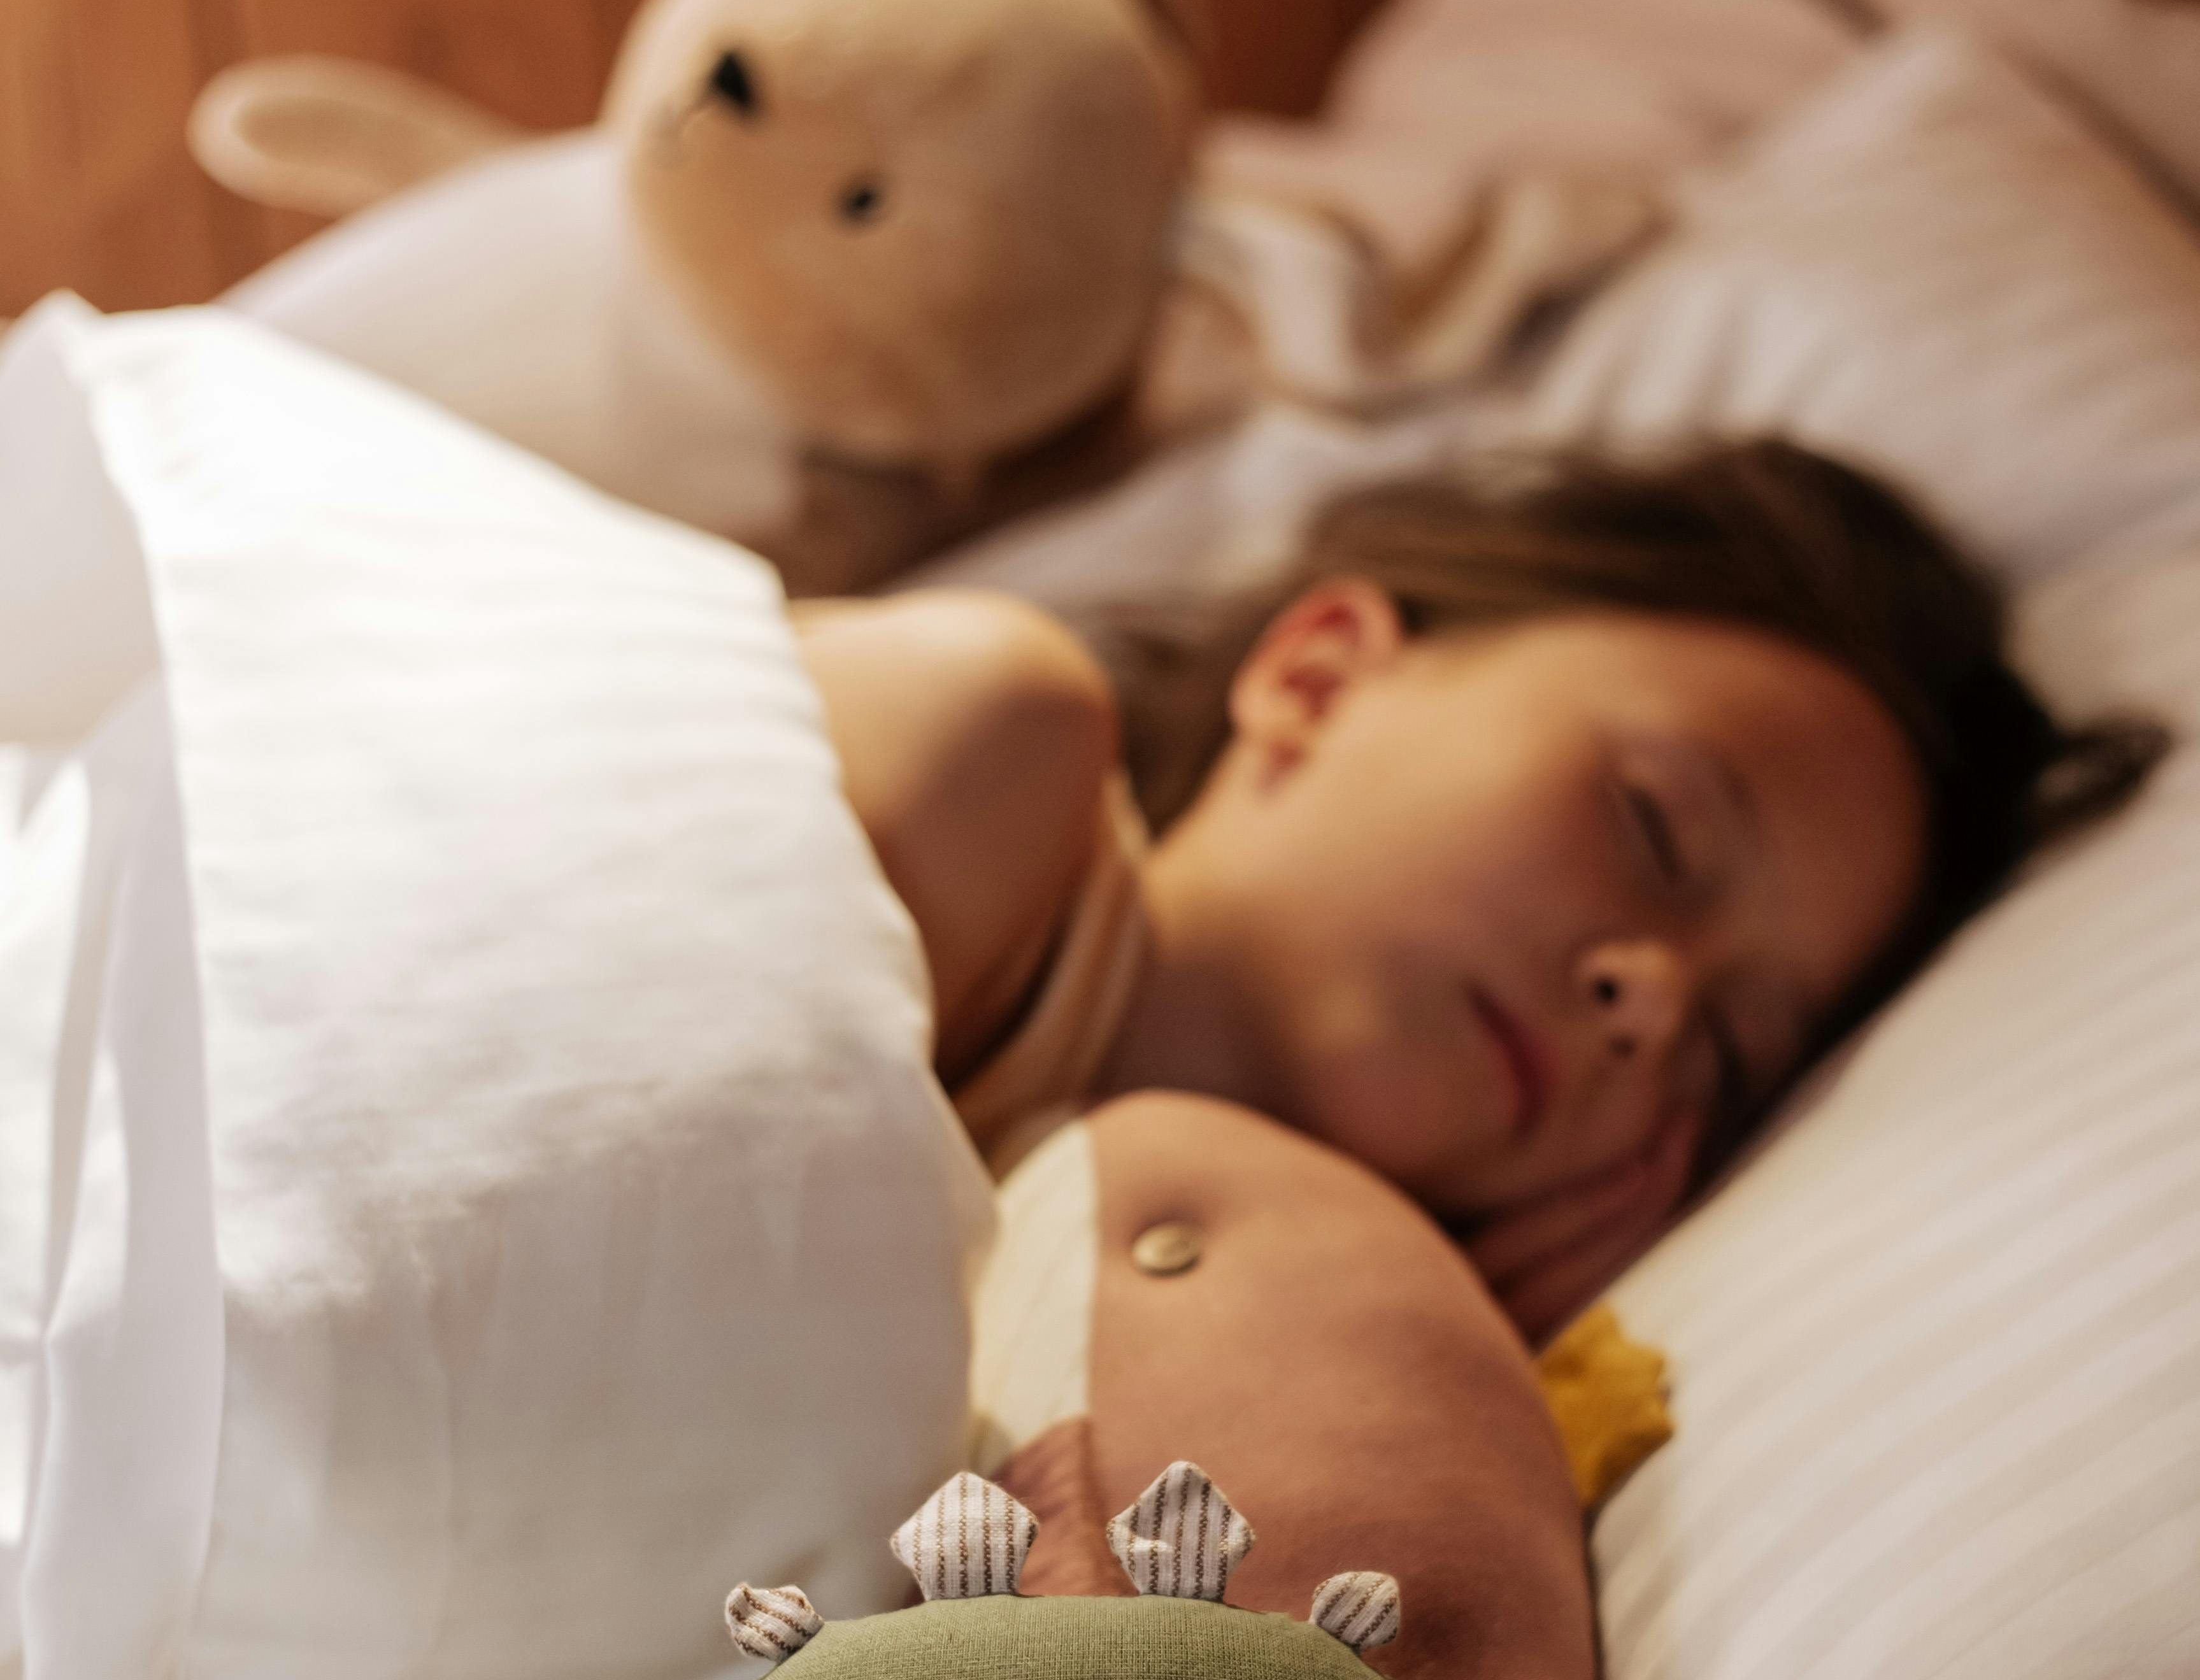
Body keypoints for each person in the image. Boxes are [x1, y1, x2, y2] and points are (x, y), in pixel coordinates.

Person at [793, 437, 2159, 1344]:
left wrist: (1420, 1348)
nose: (1655, 997)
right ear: (1319, 674)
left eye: (1730, 1055)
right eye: (1653, 827)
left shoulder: (1268, 1374)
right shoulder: (982, 739)